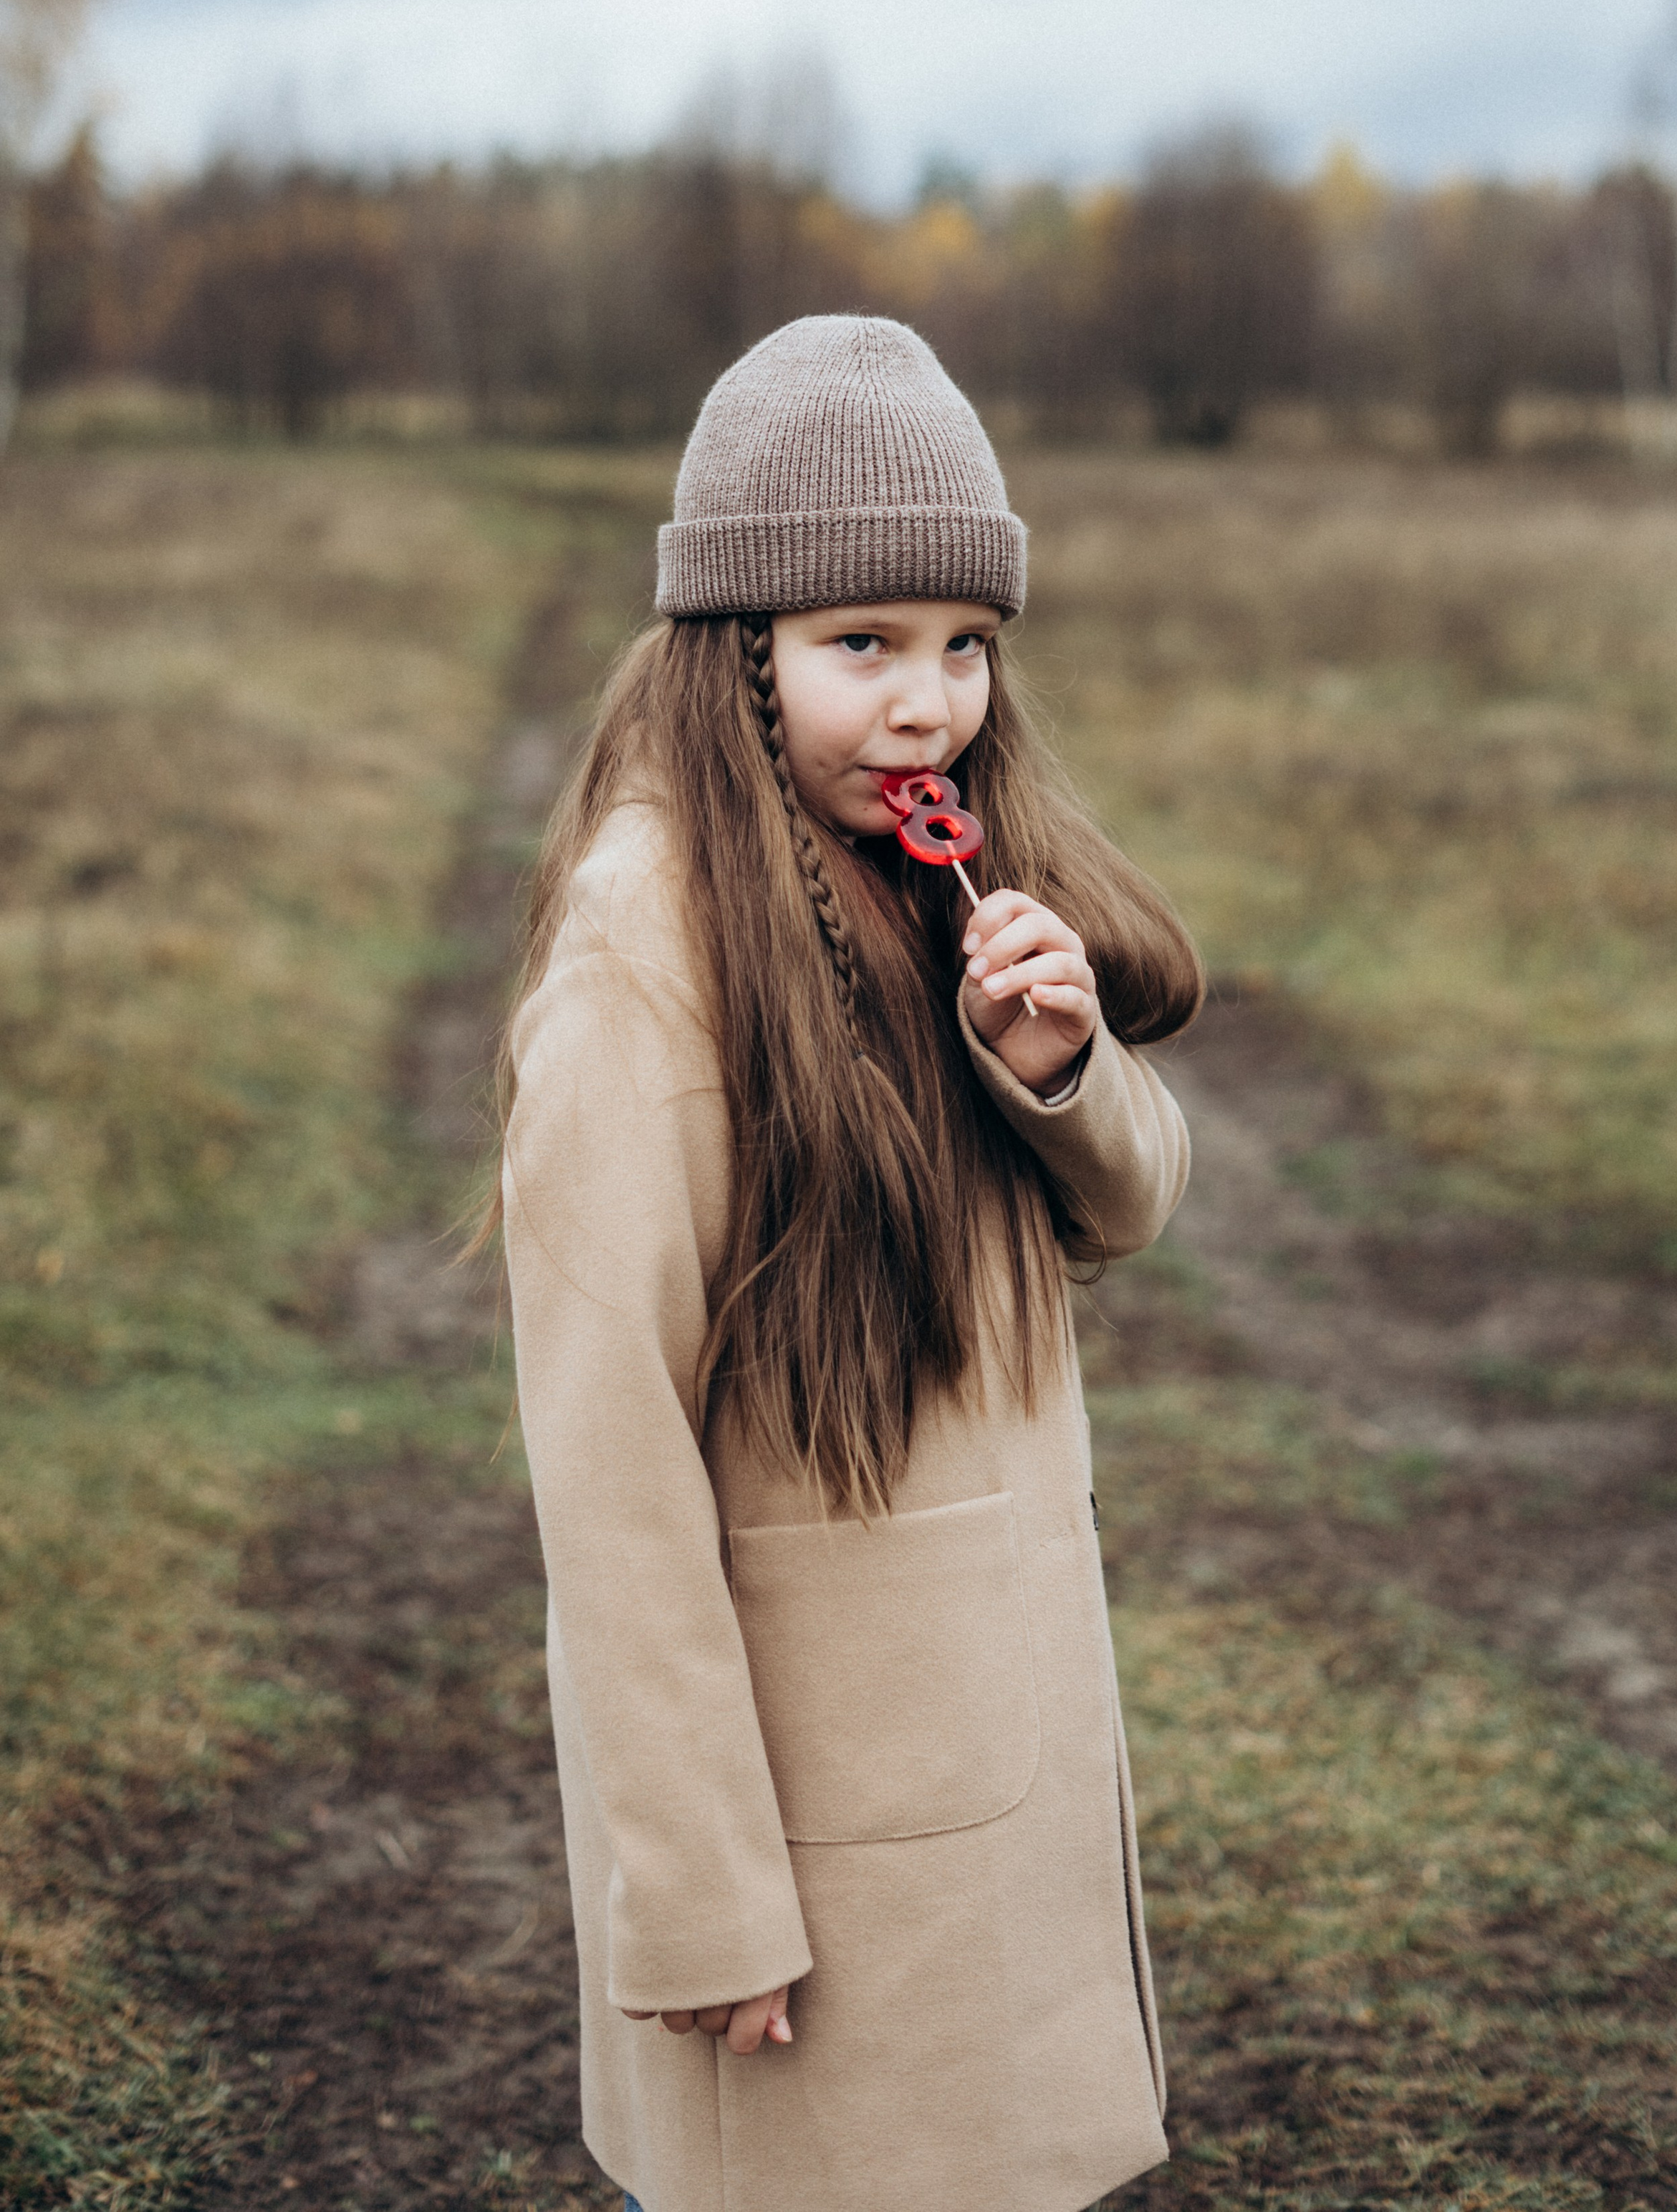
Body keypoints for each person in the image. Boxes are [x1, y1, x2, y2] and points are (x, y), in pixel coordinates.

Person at [495, 315, 1202, 2212]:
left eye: (964, 643)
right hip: (816, 1818)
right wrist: (701, 1887)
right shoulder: (647, 954)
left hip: (989, 1761)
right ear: (736, 656)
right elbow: (609, 1467)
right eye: (860, 646)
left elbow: (1133, 1205)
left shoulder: (943, 875)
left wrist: (1059, 1075)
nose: (927, 704)